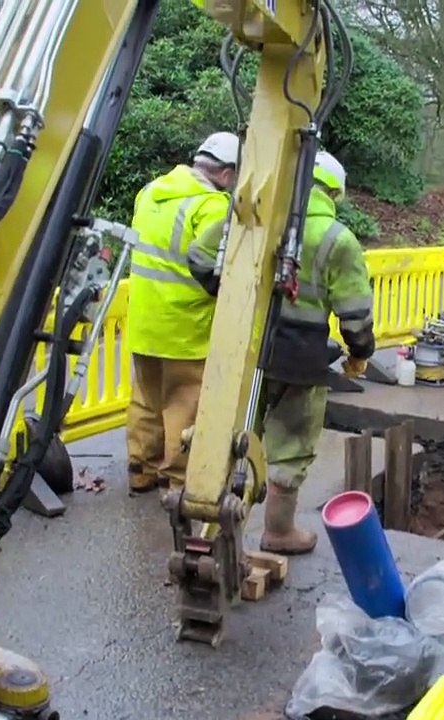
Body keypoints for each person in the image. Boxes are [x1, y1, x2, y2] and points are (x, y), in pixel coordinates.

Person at [186, 149, 374, 555]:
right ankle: (278, 531)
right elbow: (354, 314)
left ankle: (205, 516)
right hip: (299, 357)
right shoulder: (336, 239)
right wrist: (360, 351)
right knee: (291, 442)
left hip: (243, 346)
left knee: (231, 427)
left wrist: (229, 296)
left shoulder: (255, 217)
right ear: (334, 193)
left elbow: (199, 258)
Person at [124, 132, 239, 496]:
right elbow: (217, 268)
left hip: (143, 320)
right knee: (183, 406)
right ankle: (176, 480)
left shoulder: (150, 193)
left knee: (146, 399)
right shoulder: (212, 206)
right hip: (184, 326)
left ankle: (141, 468)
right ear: (226, 172)